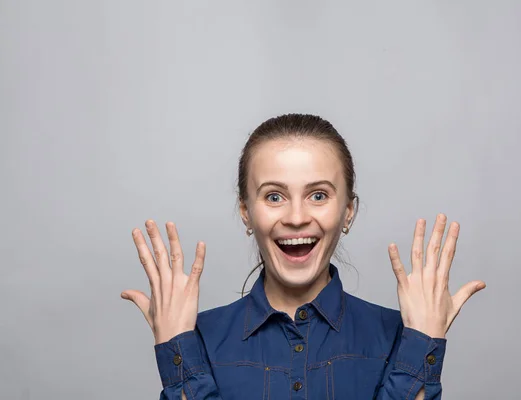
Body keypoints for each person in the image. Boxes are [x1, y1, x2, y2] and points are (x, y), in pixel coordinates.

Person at [121, 114, 485, 400]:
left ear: (348, 212)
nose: (296, 217)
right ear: (246, 212)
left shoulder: (401, 336)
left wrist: (422, 341)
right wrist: (177, 349)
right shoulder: (193, 338)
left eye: (319, 195)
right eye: (274, 196)